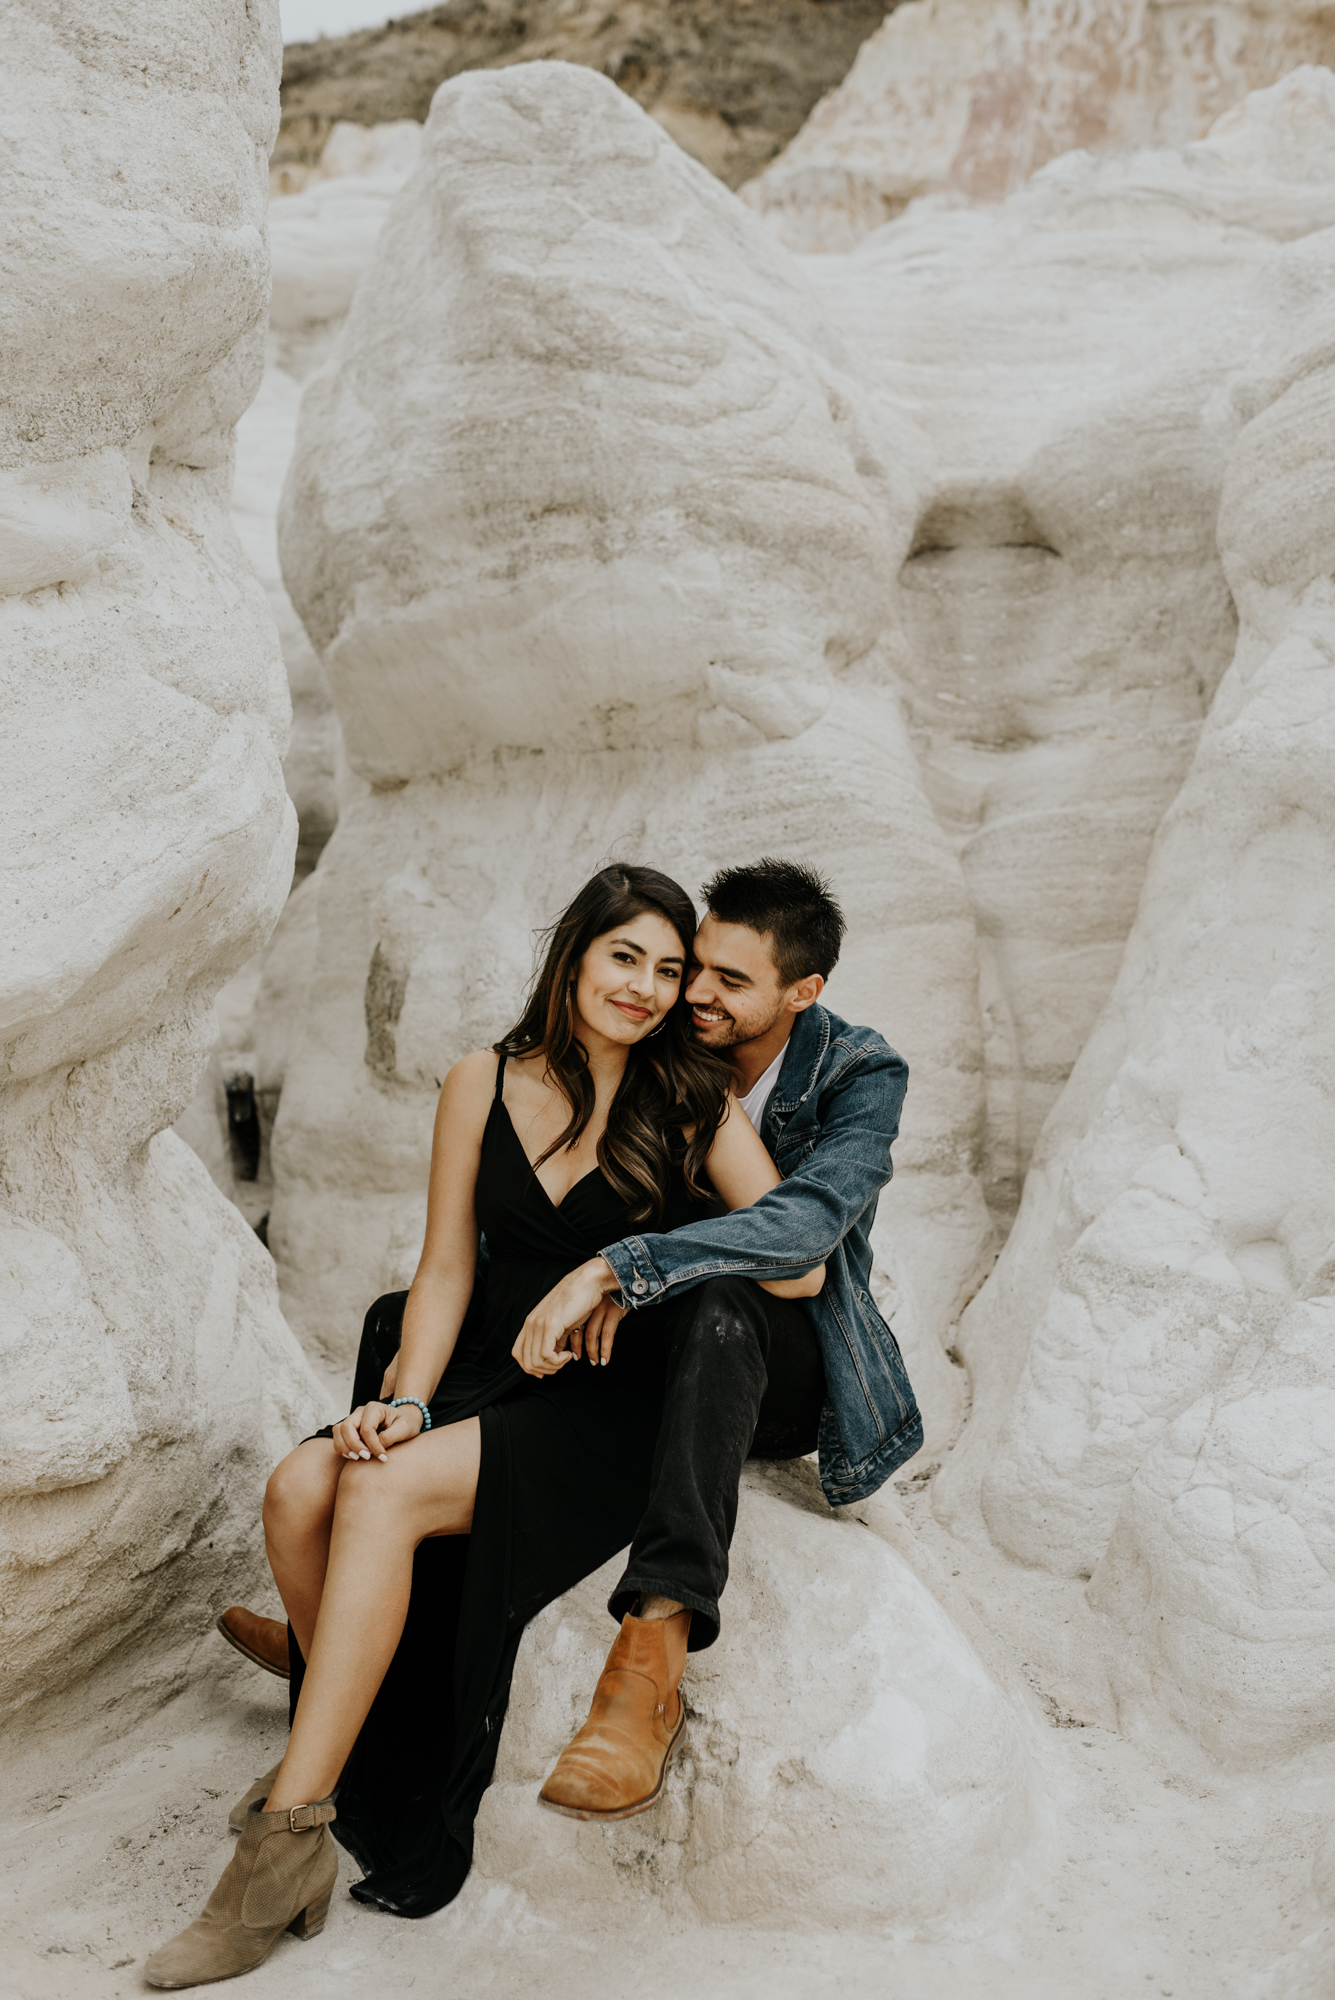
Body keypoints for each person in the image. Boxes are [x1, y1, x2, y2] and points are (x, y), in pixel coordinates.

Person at [144, 864, 826, 1989]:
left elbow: (794, 1259)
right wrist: (406, 1393)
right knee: (302, 1484)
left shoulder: (690, 1095)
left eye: (669, 968)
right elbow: (448, 1266)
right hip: (483, 1365)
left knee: (377, 1492)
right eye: (626, 957)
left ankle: (286, 1836)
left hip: (611, 1395)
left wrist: (635, 1269)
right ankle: (354, 1746)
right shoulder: (480, 1079)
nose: (648, 987)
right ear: (575, 954)